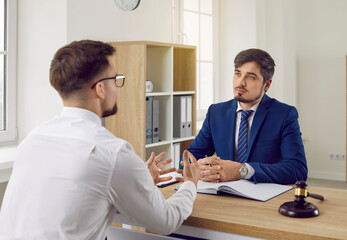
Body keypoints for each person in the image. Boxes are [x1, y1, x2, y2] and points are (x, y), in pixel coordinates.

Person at [0, 40, 200, 239]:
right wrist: (190, 183)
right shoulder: (113, 153)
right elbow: (167, 221)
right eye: (115, 79)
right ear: (101, 89)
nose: (117, 87)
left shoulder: (32, 140)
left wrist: (139, 180)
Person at [185, 48, 307, 184]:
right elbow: (190, 156)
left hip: (263, 195)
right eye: (238, 74)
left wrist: (243, 170)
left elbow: (297, 170)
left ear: (266, 84)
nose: (240, 83)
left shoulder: (284, 115)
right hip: (223, 193)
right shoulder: (216, 112)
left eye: (251, 77)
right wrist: (197, 166)